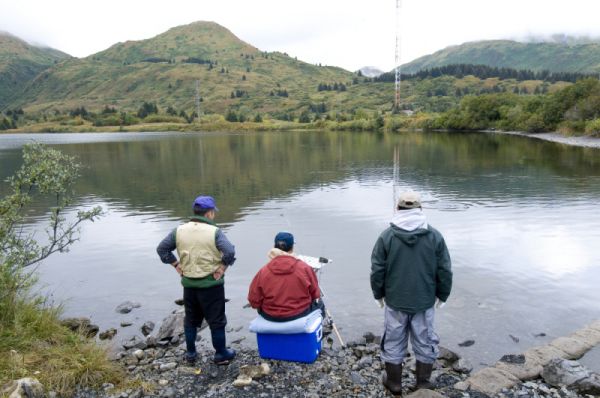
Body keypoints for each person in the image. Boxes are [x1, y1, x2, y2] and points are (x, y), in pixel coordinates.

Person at [370, 191, 452, 395]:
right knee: (425, 340)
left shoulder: (386, 236)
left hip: (395, 301)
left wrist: (378, 294)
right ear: (420, 209)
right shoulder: (434, 236)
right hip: (424, 301)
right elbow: (445, 270)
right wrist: (443, 295)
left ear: (398, 209)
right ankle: (423, 383)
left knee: (393, 340)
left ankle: (394, 384)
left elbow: (377, 269)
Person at [156, 195, 236, 365]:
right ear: (209, 214)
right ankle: (221, 354)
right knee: (217, 320)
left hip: (189, 285)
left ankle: (191, 354)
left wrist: (176, 265)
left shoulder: (179, 230)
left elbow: (162, 249)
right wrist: (221, 268)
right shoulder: (214, 232)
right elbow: (229, 252)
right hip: (211, 285)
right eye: (213, 212)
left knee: (191, 320)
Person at [248, 232, 324, 322]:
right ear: (292, 247)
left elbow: (253, 301)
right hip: (300, 314)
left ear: (274, 246)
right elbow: (315, 294)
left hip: (271, 317)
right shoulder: (305, 268)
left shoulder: (263, 271)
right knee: (320, 304)